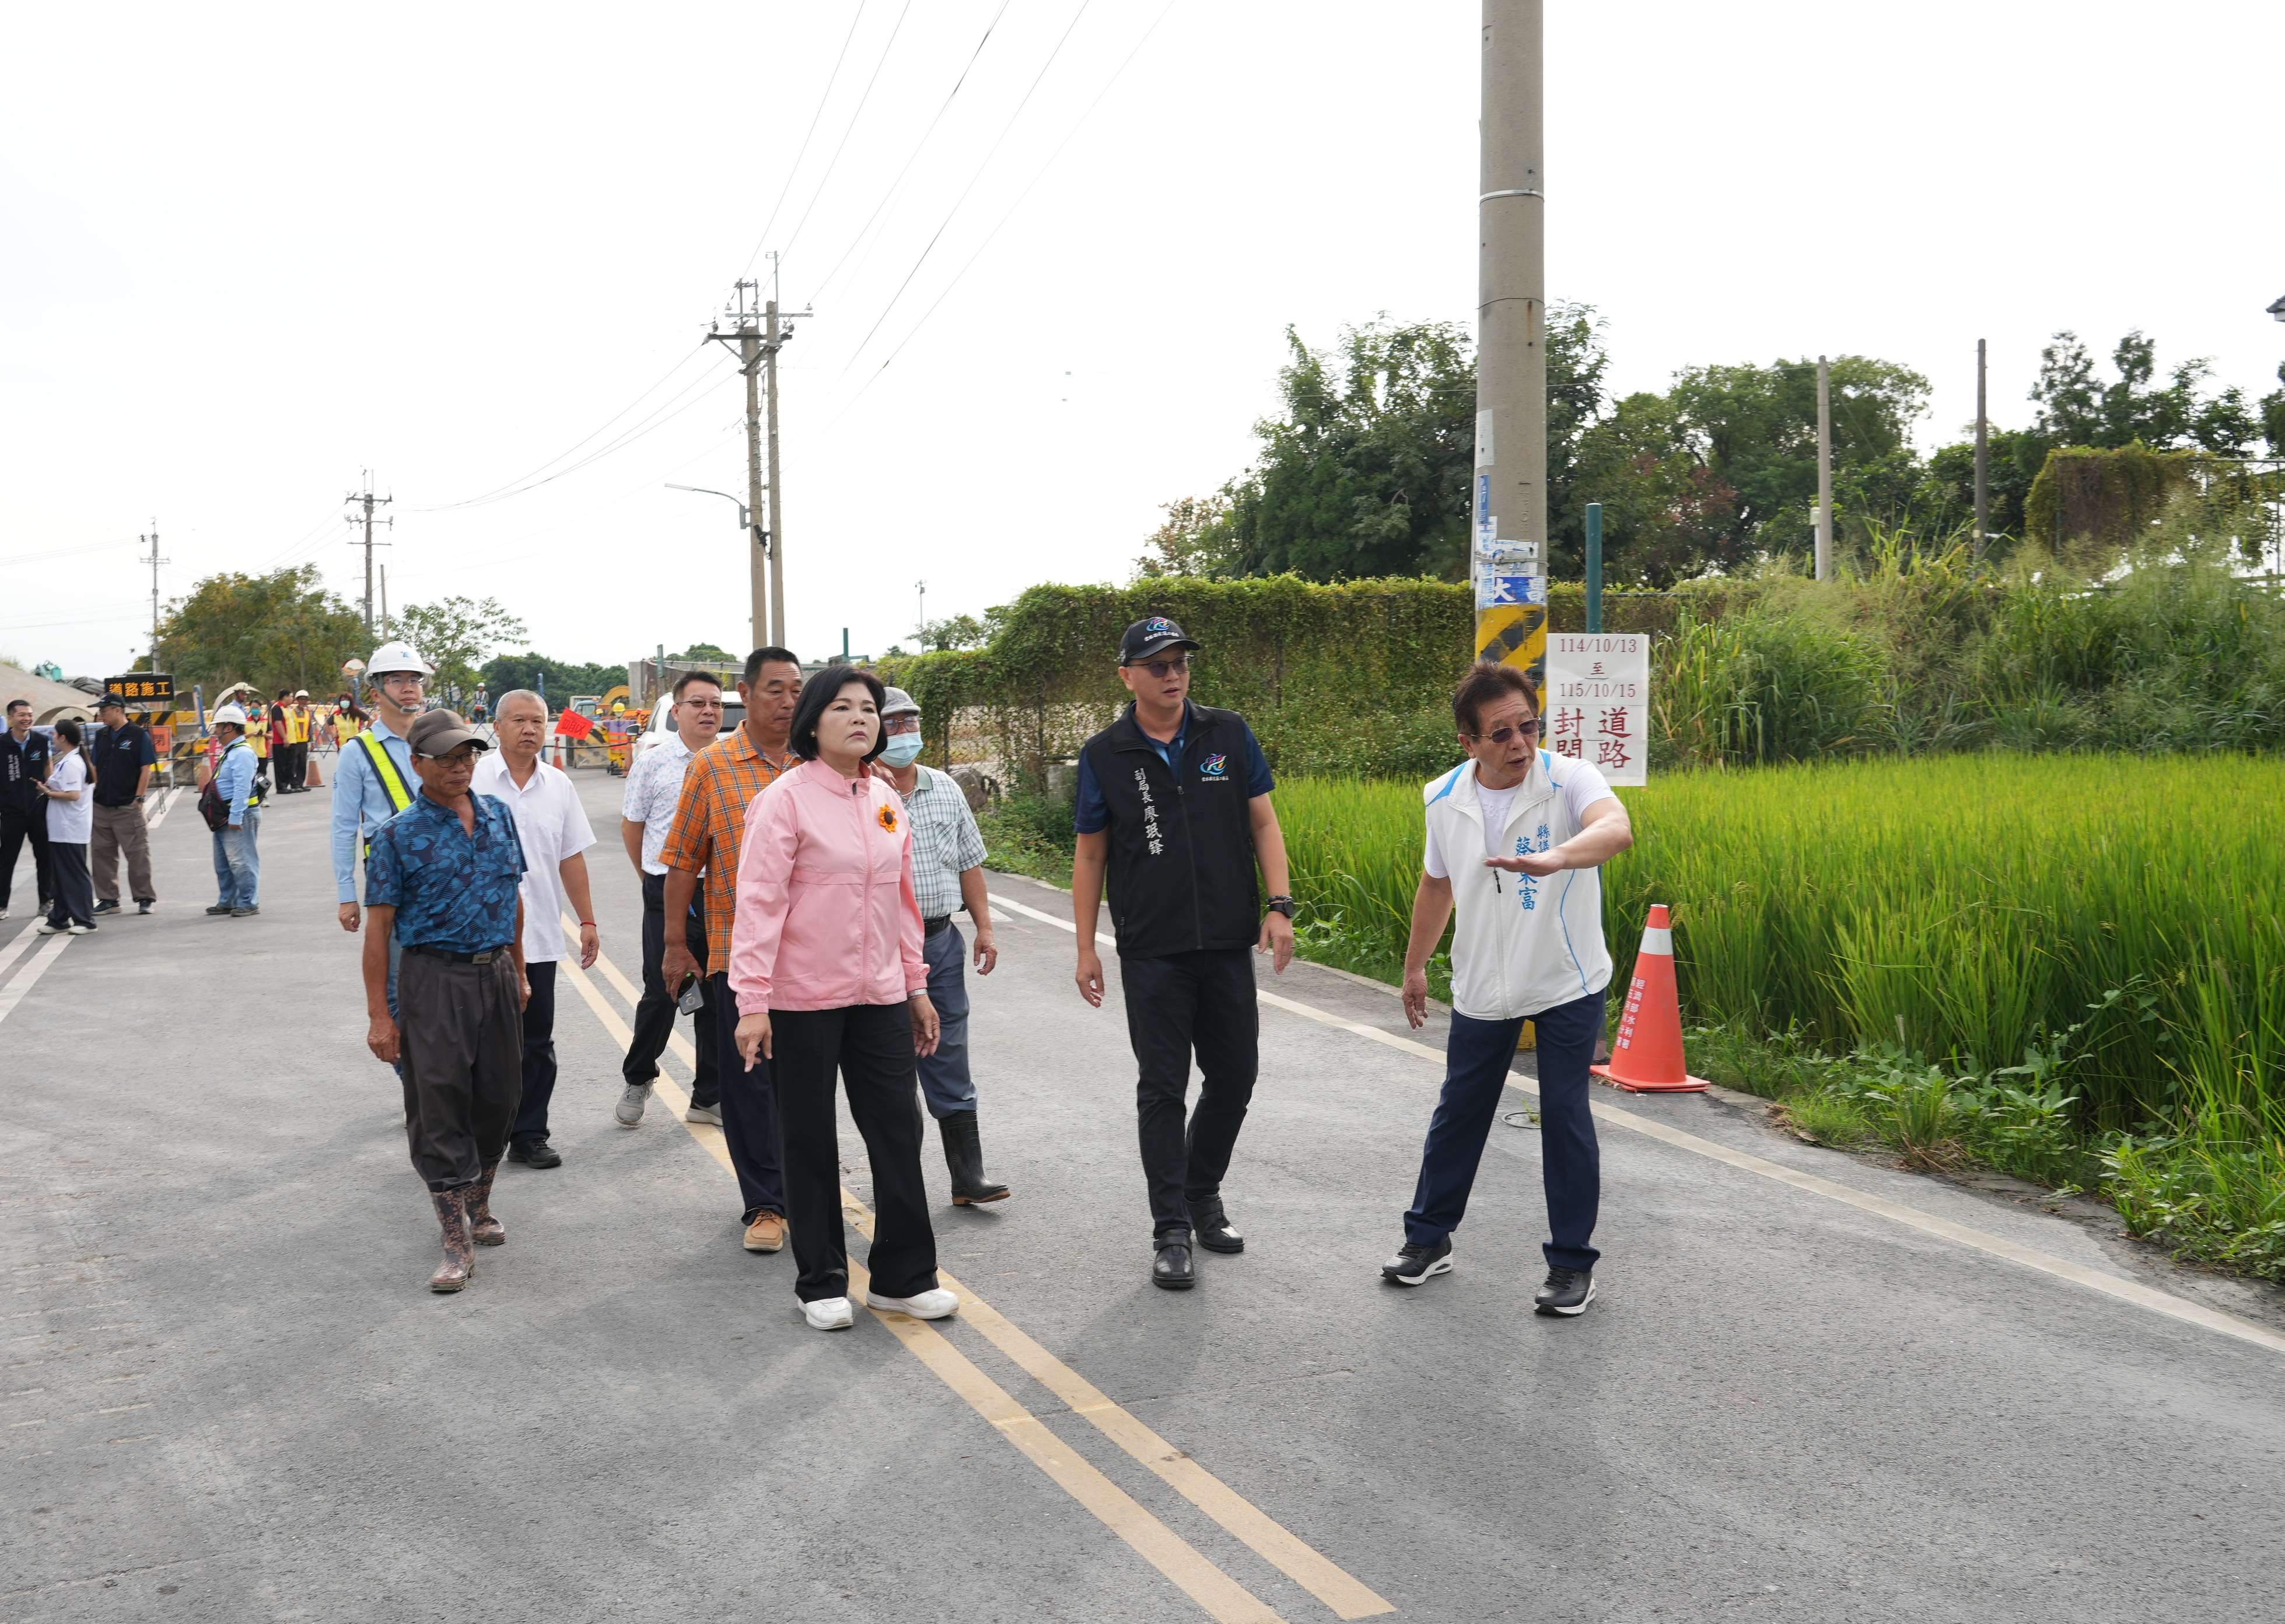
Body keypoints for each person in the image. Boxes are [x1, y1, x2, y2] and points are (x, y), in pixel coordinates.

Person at [1381, 662, 1634, 1318]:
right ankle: (1427, 1241)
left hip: (1564, 981)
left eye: (1528, 726)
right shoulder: (1442, 797)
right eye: (1500, 734)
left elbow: (1615, 829)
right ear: (1468, 743)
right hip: (1480, 987)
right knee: (1457, 1114)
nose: (1519, 743)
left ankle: (1570, 1265)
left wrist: (1557, 856)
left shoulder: (1568, 779)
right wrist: (1415, 967)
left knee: (1564, 1117)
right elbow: (1436, 883)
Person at [1071, 616, 1296, 1292]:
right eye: (1158, 665)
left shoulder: (1225, 733)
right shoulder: (1105, 753)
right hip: (1152, 950)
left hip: (1226, 942)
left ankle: (1202, 1193)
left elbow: (1262, 820)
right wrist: (1086, 947)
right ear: (1128, 676)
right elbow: (1090, 853)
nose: (1172, 675)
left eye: (1180, 664)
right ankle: (1170, 1228)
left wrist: (1279, 907)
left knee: (1235, 1076)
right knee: (1162, 1088)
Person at [730, 667, 956, 1332]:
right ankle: (820, 1280)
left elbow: (902, 902)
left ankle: (902, 1278)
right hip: (802, 998)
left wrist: (914, 985)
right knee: (806, 1139)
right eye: (843, 708)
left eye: (869, 709)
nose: (861, 719)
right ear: (812, 722)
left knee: (897, 1130)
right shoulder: (785, 800)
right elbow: (759, 905)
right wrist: (752, 1001)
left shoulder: (883, 799)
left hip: (880, 994)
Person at [363, 710, 531, 1293]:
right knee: (438, 1104)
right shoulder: (395, 836)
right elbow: (379, 932)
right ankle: (454, 1237)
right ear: (418, 765)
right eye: (447, 758)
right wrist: (380, 1017)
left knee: (499, 1096)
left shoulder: (499, 817)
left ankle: (479, 1205)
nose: (461, 767)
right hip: (432, 981)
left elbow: (512, 897)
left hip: (498, 976)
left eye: (468, 756)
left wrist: (521, 971)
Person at [659, 647, 803, 1255]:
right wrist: (673, 944)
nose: (788, 701)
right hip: (737, 959)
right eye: (775, 689)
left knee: (806, 1086)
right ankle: (765, 1205)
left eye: (797, 689)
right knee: (750, 1088)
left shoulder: (819, 765)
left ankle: (807, 1191)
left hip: (814, 962)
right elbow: (682, 862)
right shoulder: (712, 767)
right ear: (746, 693)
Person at [876, 686, 1008, 1204]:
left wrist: (985, 927)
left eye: (911, 722)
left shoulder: (945, 789)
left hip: (940, 942)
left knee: (947, 1048)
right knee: (890, 1059)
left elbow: (969, 861)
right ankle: (900, 1182)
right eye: (894, 724)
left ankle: (966, 1177)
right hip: (881, 948)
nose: (905, 733)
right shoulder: (862, 793)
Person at [473, 690, 600, 1170]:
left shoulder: (559, 786)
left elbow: (571, 857)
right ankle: (476, 1137)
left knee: (536, 1044)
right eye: (519, 720)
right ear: (498, 726)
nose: (529, 729)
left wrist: (586, 920)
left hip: (542, 938)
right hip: (479, 938)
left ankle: (530, 1135)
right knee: (478, 1044)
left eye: (538, 722)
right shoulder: (476, 778)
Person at [615, 668, 725, 1129]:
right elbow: (633, 825)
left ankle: (708, 1097)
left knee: (717, 996)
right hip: (666, 889)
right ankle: (639, 1077)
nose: (708, 711)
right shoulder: (654, 763)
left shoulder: (731, 761)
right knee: (664, 991)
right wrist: (653, 883)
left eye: (716, 704)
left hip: (720, 893)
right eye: (697, 703)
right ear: (676, 710)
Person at [333, 644, 429, 1021]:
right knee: (397, 983)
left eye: (414, 680)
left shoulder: (437, 741)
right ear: (376, 693)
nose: (408, 688)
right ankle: (413, 1073)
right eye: (396, 680)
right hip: (389, 881)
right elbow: (343, 826)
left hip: (442, 873)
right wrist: (346, 895)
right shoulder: (357, 752)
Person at [88, 692, 159, 916]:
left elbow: (146, 767)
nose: (101, 714)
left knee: (137, 853)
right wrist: (98, 791)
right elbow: (96, 767)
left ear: (118, 710)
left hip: (128, 805)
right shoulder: (101, 736)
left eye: (104, 710)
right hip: (102, 806)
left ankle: (144, 898)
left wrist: (139, 799)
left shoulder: (138, 735)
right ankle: (109, 899)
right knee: (102, 855)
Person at [33, 719, 96, 936]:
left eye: (55, 735)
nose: (53, 738)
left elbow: (73, 795)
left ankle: (86, 919)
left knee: (75, 875)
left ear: (63, 738)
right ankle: (59, 918)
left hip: (71, 828)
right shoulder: (69, 760)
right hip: (62, 828)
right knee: (60, 876)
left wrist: (48, 792)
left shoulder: (72, 763)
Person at [205, 703, 264, 917]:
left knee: (242, 861)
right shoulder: (231, 751)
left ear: (229, 727)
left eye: (219, 727)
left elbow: (242, 787)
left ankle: (248, 901)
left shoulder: (242, 753)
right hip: (225, 815)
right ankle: (228, 900)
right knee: (224, 862)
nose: (216, 732)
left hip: (239, 815)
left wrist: (236, 816)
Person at [1, 698, 55, 922]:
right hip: (11, 811)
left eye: (29, 715)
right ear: (11, 718)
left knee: (45, 856)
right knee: (6, 859)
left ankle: (46, 901)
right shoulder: (2, 743)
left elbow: (48, 769)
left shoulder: (41, 741)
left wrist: (50, 792)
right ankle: (2, 904)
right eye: (22, 715)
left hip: (38, 807)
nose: (27, 719)